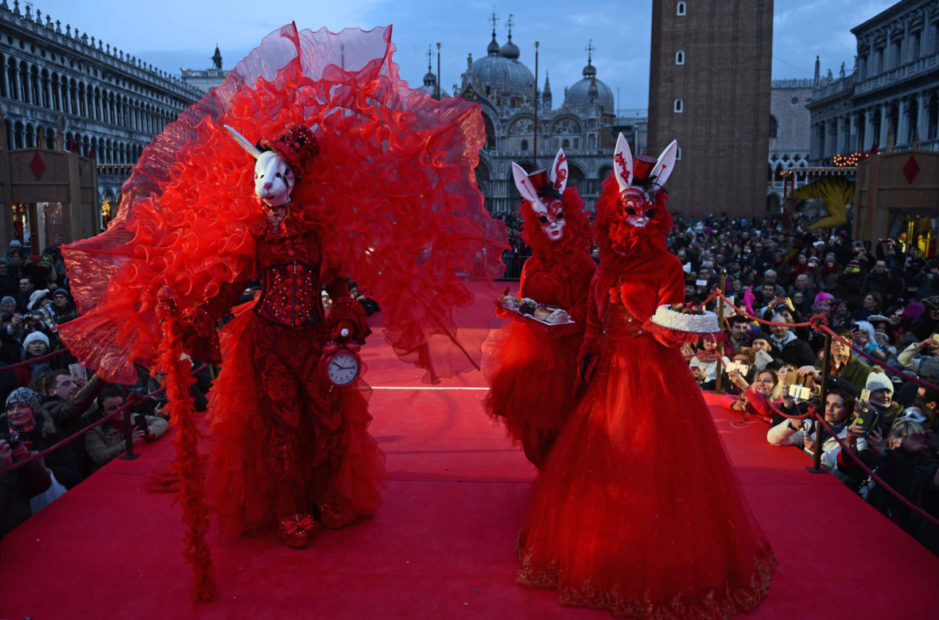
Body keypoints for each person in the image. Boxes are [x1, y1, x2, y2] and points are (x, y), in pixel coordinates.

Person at [58, 23, 506, 567]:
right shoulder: (252, 238)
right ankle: (292, 507)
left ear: (294, 181)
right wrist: (190, 311)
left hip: (314, 342)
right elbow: (228, 287)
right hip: (268, 340)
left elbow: (341, 286)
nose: (266, 184)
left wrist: (342, 320)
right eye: (259, 176)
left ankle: (323, 496)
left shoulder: (319, 234)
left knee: (327, 418)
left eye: (276, 175)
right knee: (284, 425)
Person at [516, 135, 774, 617]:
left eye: (645, 208)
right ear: (614, 211)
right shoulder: (605, 266)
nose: (637, 215)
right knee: (604, 463)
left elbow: (669, 325)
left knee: (654, 463)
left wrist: (667, 326)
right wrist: (583, 364)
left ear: (656, 213)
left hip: (652, 376)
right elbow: (592, 325)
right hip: (607, 374)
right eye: (629, 206)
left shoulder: (668, 265)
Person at [483, 150, 595, 467]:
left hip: (566, 360)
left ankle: (561, 484)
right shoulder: (531, 263)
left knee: (561, 430)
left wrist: (560, 321)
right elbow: (525, 302)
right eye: (543, 219)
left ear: (571, 217)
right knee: (533, 431)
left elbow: (588, 313)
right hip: (530, 356)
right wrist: (511, 308)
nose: (552, 225)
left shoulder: (583, 265)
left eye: (559, 217)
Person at [85, 388, 169, 468]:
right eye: (112, 408)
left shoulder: (133, 417)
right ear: (102, 412)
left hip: (140, 464)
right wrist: (129, 442)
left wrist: (151, 433)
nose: (120, 410)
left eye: (121, 405)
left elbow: (161, 422)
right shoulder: (94, 432)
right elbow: (100, 457)